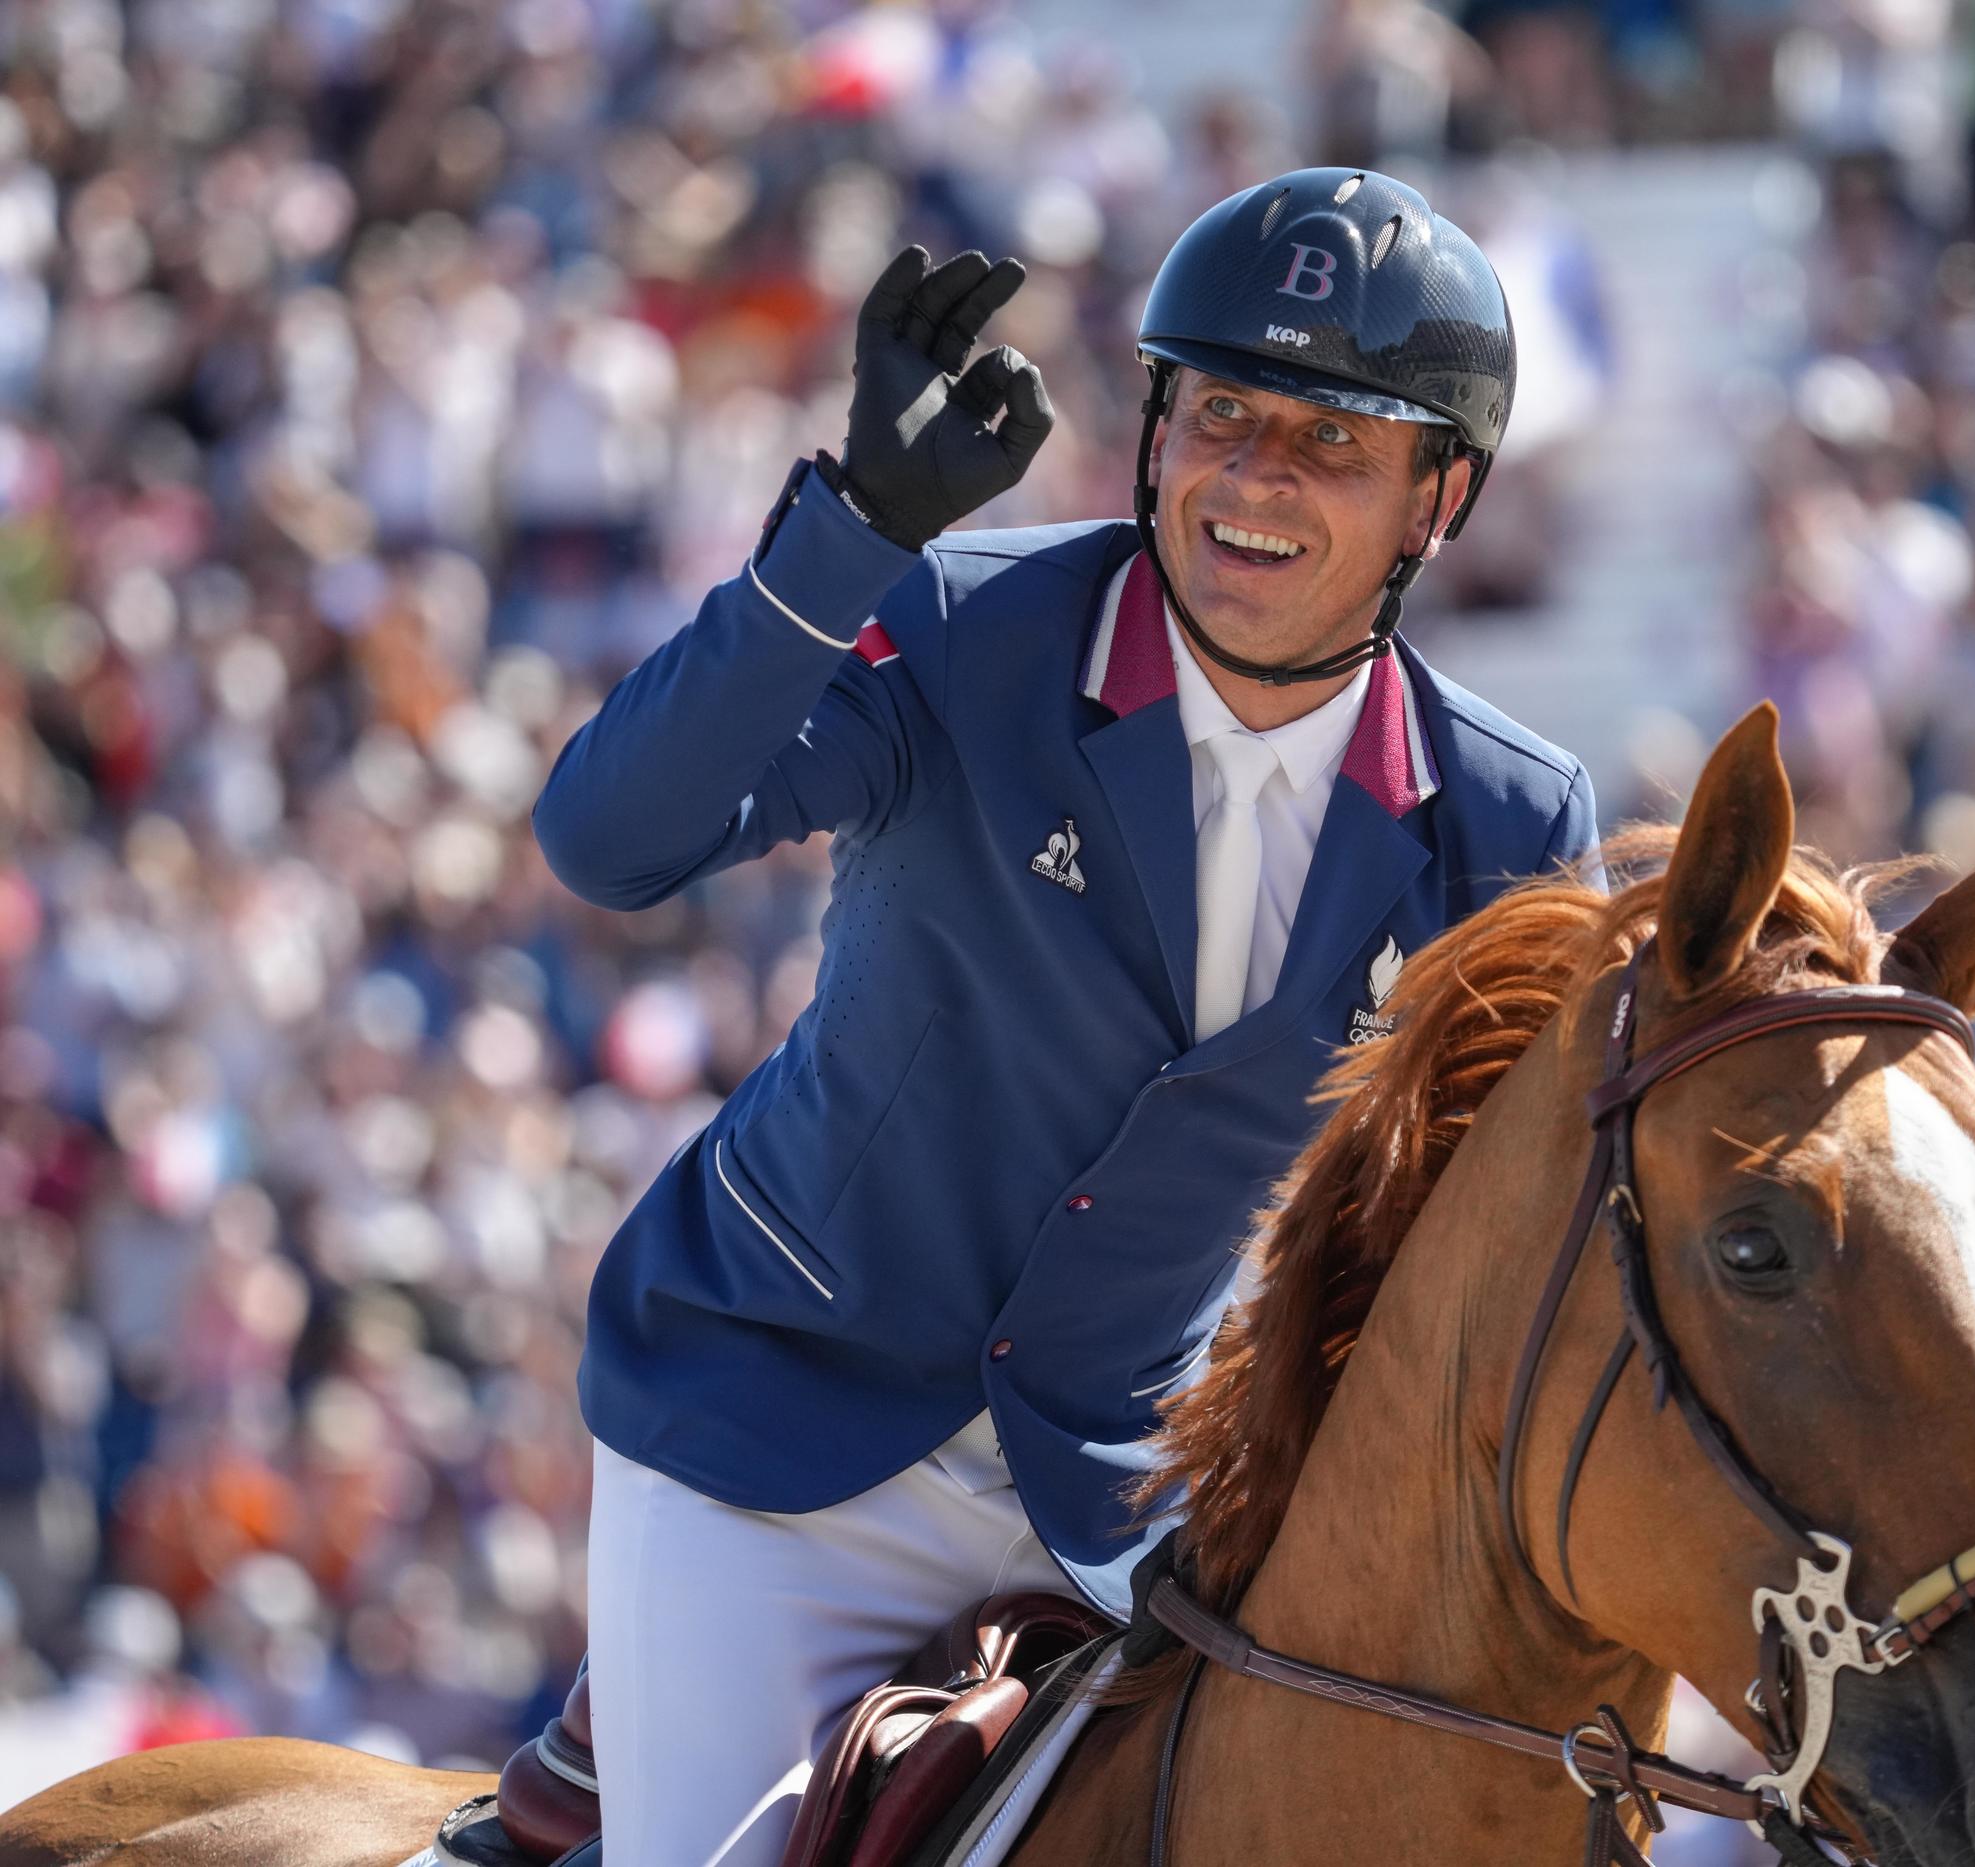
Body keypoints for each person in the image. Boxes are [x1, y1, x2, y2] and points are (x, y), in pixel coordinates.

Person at [527, 167, 1600, 1867]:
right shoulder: (964, 625)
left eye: (1331, 443)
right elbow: (607, 839)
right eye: (1222, 415)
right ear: (1155, 429)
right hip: (785, 1434)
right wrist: (851, 531)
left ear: (1436, 500)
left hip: (1119, 1504)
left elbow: (1480, 1253)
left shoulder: (1513, 826)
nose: (1254, 478)